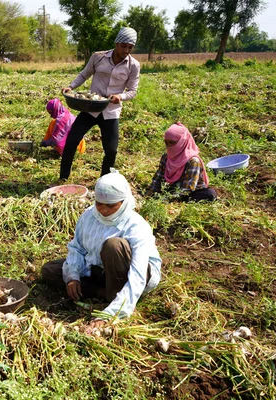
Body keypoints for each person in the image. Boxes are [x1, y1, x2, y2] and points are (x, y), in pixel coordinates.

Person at [41, 172, 161, 331]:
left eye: (111, 205)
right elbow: (77, 248)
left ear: (123, 202)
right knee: (50, 270)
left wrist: (110, 315)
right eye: (99, 203)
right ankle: (103, 292)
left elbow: (137, 273)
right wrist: (72, 277)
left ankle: (117, 299)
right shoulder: (89, 216)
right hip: (98, 269)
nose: (103, 210)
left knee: (114, 246)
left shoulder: (136, 226)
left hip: (128, 273)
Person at [60, 27, 141, 179]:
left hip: (111, 111)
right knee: (71, 140)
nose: (126, 50)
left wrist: (120, 96)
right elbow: (84, 74)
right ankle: (63, 177)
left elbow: (133, 91)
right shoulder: (98, 57)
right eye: (123, 46)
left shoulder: (133, 65)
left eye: (130, 47)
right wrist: (70, 87)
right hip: (91, 107)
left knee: (111, 150)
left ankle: (104, 181)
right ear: (116, 43)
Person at [146, 122, 217, 202]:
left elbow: (187, 189)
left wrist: (166, 199)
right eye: (167, 143)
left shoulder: (193, 161)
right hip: (172, 188)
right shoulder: (166, 157)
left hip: (190, 192)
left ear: (182, 142)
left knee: (209, 194)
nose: (169, 146)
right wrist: (150, 192)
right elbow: (158, 178)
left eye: (172, 143)